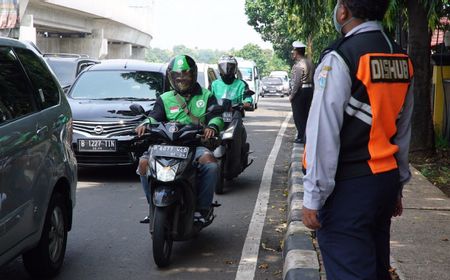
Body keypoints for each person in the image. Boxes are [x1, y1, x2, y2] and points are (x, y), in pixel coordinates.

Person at [301, 1, 414, 279]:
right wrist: (398, 184)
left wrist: (313, 195)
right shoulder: (401, 57)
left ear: (343, 12)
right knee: (376, 267)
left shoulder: (342, 57)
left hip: (349, 188)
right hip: (383, 183)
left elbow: (323, 131)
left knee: (350, 269)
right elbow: (402, 127)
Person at [135, 54, 224, 224]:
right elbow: (154, 117)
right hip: (165, 145)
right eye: (177, 76)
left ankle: (202, 209)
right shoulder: (165, 98)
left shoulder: (206, 96)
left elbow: (216, 116)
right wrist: (144, 124)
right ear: (171, 77)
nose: (181, 79)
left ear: (193, 75)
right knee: (143, 164)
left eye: (185, 75)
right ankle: (152, 207)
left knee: (211, 165)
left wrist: (212, 127)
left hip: (194, 145)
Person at [210, 55, 253, 175]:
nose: (227, 70)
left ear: (235, 68)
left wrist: (246, 103)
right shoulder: (214, 84)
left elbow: (248, 98)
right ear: (219, 68)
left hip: (235, 115)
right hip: (218, 115)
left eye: (230, 67)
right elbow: (208, 98)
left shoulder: (241, 84)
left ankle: (238, 159)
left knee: (238, 136)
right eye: (224, 67)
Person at [289, 41, 314, 144]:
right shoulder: (310, 63)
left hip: (301, 91)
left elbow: (297, 82)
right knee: (307, 114)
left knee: (298, 115)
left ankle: (301, 136)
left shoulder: (299, 65)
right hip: (310, 90)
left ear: (297, 52)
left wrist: (292, 95)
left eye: (293, 51)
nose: (292, 54)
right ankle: (306, 136)